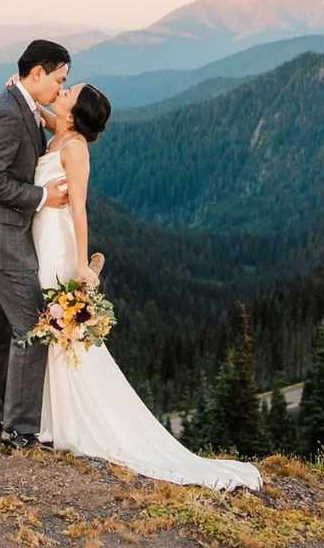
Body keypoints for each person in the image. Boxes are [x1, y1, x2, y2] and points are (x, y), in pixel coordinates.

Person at [32, 82, 263, 492]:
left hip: (58, 243)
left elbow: (81, 209)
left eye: (70, 90)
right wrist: (26, 95)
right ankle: (51, 417)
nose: (63, 88)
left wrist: (83, 265)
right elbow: (47, 117)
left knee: (60, 327)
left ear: (76, 111)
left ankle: (63, 421)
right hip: (43, 235)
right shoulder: (62, 133)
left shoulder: (75, 148)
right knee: (55, 328)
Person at [0, 39, 71, 450]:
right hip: (2, 237)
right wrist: (42, 197)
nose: (60, 89)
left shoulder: (18, 103)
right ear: (36, 73)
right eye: (59, 79)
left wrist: (42, 112)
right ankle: (20, 430)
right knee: (34, 328)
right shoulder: (7, 113)